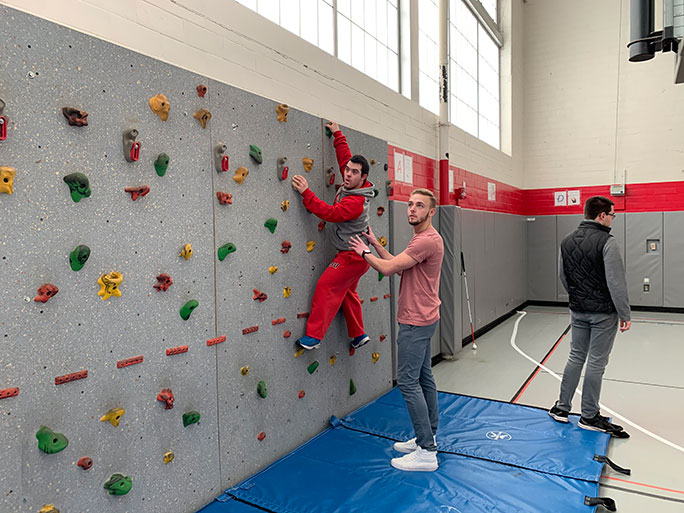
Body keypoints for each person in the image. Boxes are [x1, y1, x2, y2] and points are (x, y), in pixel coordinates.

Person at [349, 189, 444, 472]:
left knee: (407, 381)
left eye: (419, 206)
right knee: (424, 377)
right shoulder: (423, 239)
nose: (412, 209)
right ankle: (428, 436)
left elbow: (388, 269)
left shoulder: (426, 240)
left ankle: (427, 452)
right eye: (411, 204)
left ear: (431, 211)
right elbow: (400, 265)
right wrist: (375, 244)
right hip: (425, 318)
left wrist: (364, 252)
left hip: (415, 321)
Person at [548, 196, 631, 438]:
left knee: (575, 357)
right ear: (601, 215)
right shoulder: (607, 242)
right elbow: (616, 282)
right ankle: (589, 415)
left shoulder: (566, 241)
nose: (613, 219)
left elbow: (564, 278)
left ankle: (561, 408)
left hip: (578, 309)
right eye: (612, 215)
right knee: (596, 362)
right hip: (603, 313)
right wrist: (624, 312)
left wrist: (579, 297)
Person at [291, 121, 375, 350]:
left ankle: (314, 337)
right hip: (358, 256)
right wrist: (337, 134)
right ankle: (359, 334)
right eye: (347, 170)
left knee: (326, 286)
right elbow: (345, 158)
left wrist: (306, 193)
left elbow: (329, 213)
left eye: (353, 172)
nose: (347, 174)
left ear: (363, 177)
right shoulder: (354, 184)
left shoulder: (356, 202)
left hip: (351, 257)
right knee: (347, 292)